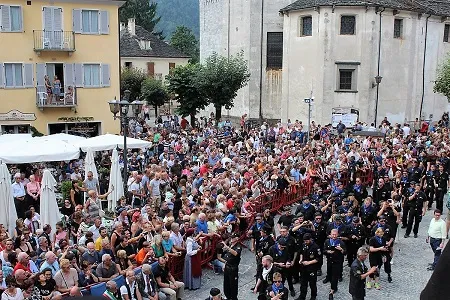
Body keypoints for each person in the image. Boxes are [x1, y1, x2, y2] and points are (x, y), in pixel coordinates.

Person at [323, 229, 346, 300]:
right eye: (333, 234)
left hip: (337, 261)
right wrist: (328, 251)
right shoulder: (327, 241)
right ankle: (328, 278)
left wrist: (341, 249)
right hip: (329, 260)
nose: (334, 236)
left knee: (335, 276)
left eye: (335, 234)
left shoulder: (341, 242)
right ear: (330, 234)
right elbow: (324, 250)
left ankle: (333, 289)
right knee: (329, 272)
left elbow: (345, 252)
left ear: (338, 234)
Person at [296, 233, 319, 300]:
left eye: (307, 241)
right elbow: (301, 253)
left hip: (312, 268)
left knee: (312, 284)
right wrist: (300, 259)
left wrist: (309, 262)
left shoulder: (315, 247)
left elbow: (318, 259)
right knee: (303, 283)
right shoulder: (303, 245)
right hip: (303, 268)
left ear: (310, 239)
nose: (305, 242)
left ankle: (313, 296)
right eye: (304, 241)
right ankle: (302, 296)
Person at [222, 232, 242, 300]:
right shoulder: (231, 244)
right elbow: (227, 256)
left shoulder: (238, 246)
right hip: (227, 266)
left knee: (233, 285)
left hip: (233, 268)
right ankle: (228, 296)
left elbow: (235, 253)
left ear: (237, 238)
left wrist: (227, 247)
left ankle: (233, 298)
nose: (231, 239)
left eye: (233, 238)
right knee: (226, 284)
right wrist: (224, 264)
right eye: (231, 237)